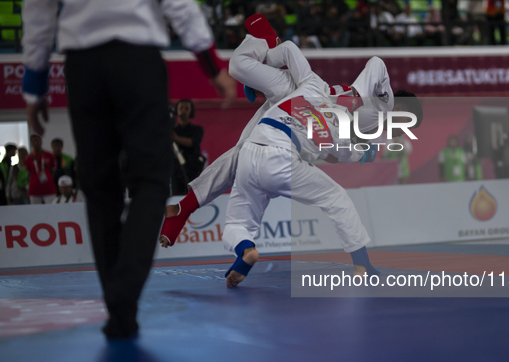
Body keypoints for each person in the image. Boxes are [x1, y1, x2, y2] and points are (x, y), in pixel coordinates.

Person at [22, 0, 236, 340]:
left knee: (99, 186)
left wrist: (34, 85)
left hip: (83, 64)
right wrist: (211, 66)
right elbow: (179, 4)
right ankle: (125, 296)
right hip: (138, 60)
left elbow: (38, 10)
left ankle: (118, 309)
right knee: (151, 180)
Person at [159, 15, 409, 249]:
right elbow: (376, 64)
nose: (401, 130)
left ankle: (184, 207)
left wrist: (355, 150)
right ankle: (269, 46)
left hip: (304, 108)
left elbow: (333, 149)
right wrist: (362, 94)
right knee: (240, 65)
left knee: (242, 151)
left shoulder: (370, 131)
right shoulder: (383, 107)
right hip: (309, 91)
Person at [220, 40, 423, 287]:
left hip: (252, 149)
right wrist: (360, 150)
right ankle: (362, 264)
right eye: (406, 126)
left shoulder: (311, 85)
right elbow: (340, 151)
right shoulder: (361, 111)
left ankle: (244, 250)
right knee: (336, 197)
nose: (401, 134)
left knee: (237, 223)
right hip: (282, 157)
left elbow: (288, 54)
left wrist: (262, 71)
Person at [171, 99, 205, 195]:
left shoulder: (197, 130)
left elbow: (193, 142)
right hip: (175, 172)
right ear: (176, 110)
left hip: (193, 170)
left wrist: (176, 138)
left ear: (191, 111)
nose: (183, 111)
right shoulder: (171, 130)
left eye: (187, 108)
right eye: (181, 108)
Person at [25, 135, 56, 204]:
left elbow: (53, 170)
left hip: (49, 188)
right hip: (34, 189)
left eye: (37, 140)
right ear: (31, 143)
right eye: (33, 141)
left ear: (41, 142)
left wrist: (49, 178)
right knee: (35, 210)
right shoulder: (28, 158)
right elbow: (29, 172)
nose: (36, 142)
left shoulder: (49, 155)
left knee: (51, 209)